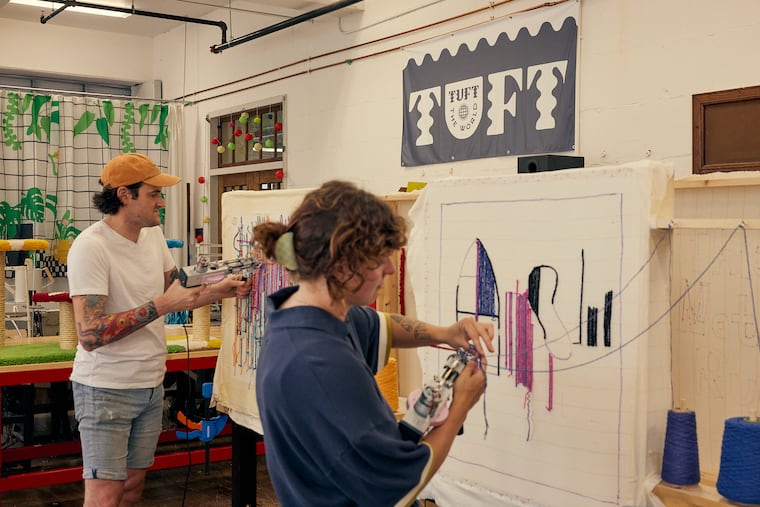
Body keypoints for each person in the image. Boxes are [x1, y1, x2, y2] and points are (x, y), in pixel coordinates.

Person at [253, 180, 494, 507]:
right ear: (342, 263)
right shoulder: (319, 363)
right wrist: (461, 405)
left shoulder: (314, 315)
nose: (390, 268)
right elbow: (398, 486)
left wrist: (446, 333)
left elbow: (383, 327)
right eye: (379, 258)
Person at [66, 152, 250, 507]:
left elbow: (176, 288)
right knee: (104, 494)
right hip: (106, 388)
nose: (162, 202)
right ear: (124, 195)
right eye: (153, 194)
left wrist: (218, 289)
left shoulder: (152, 236)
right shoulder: (91, 247)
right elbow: (90, 335)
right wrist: (163, 305)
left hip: (150, 384)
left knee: (133, 487)